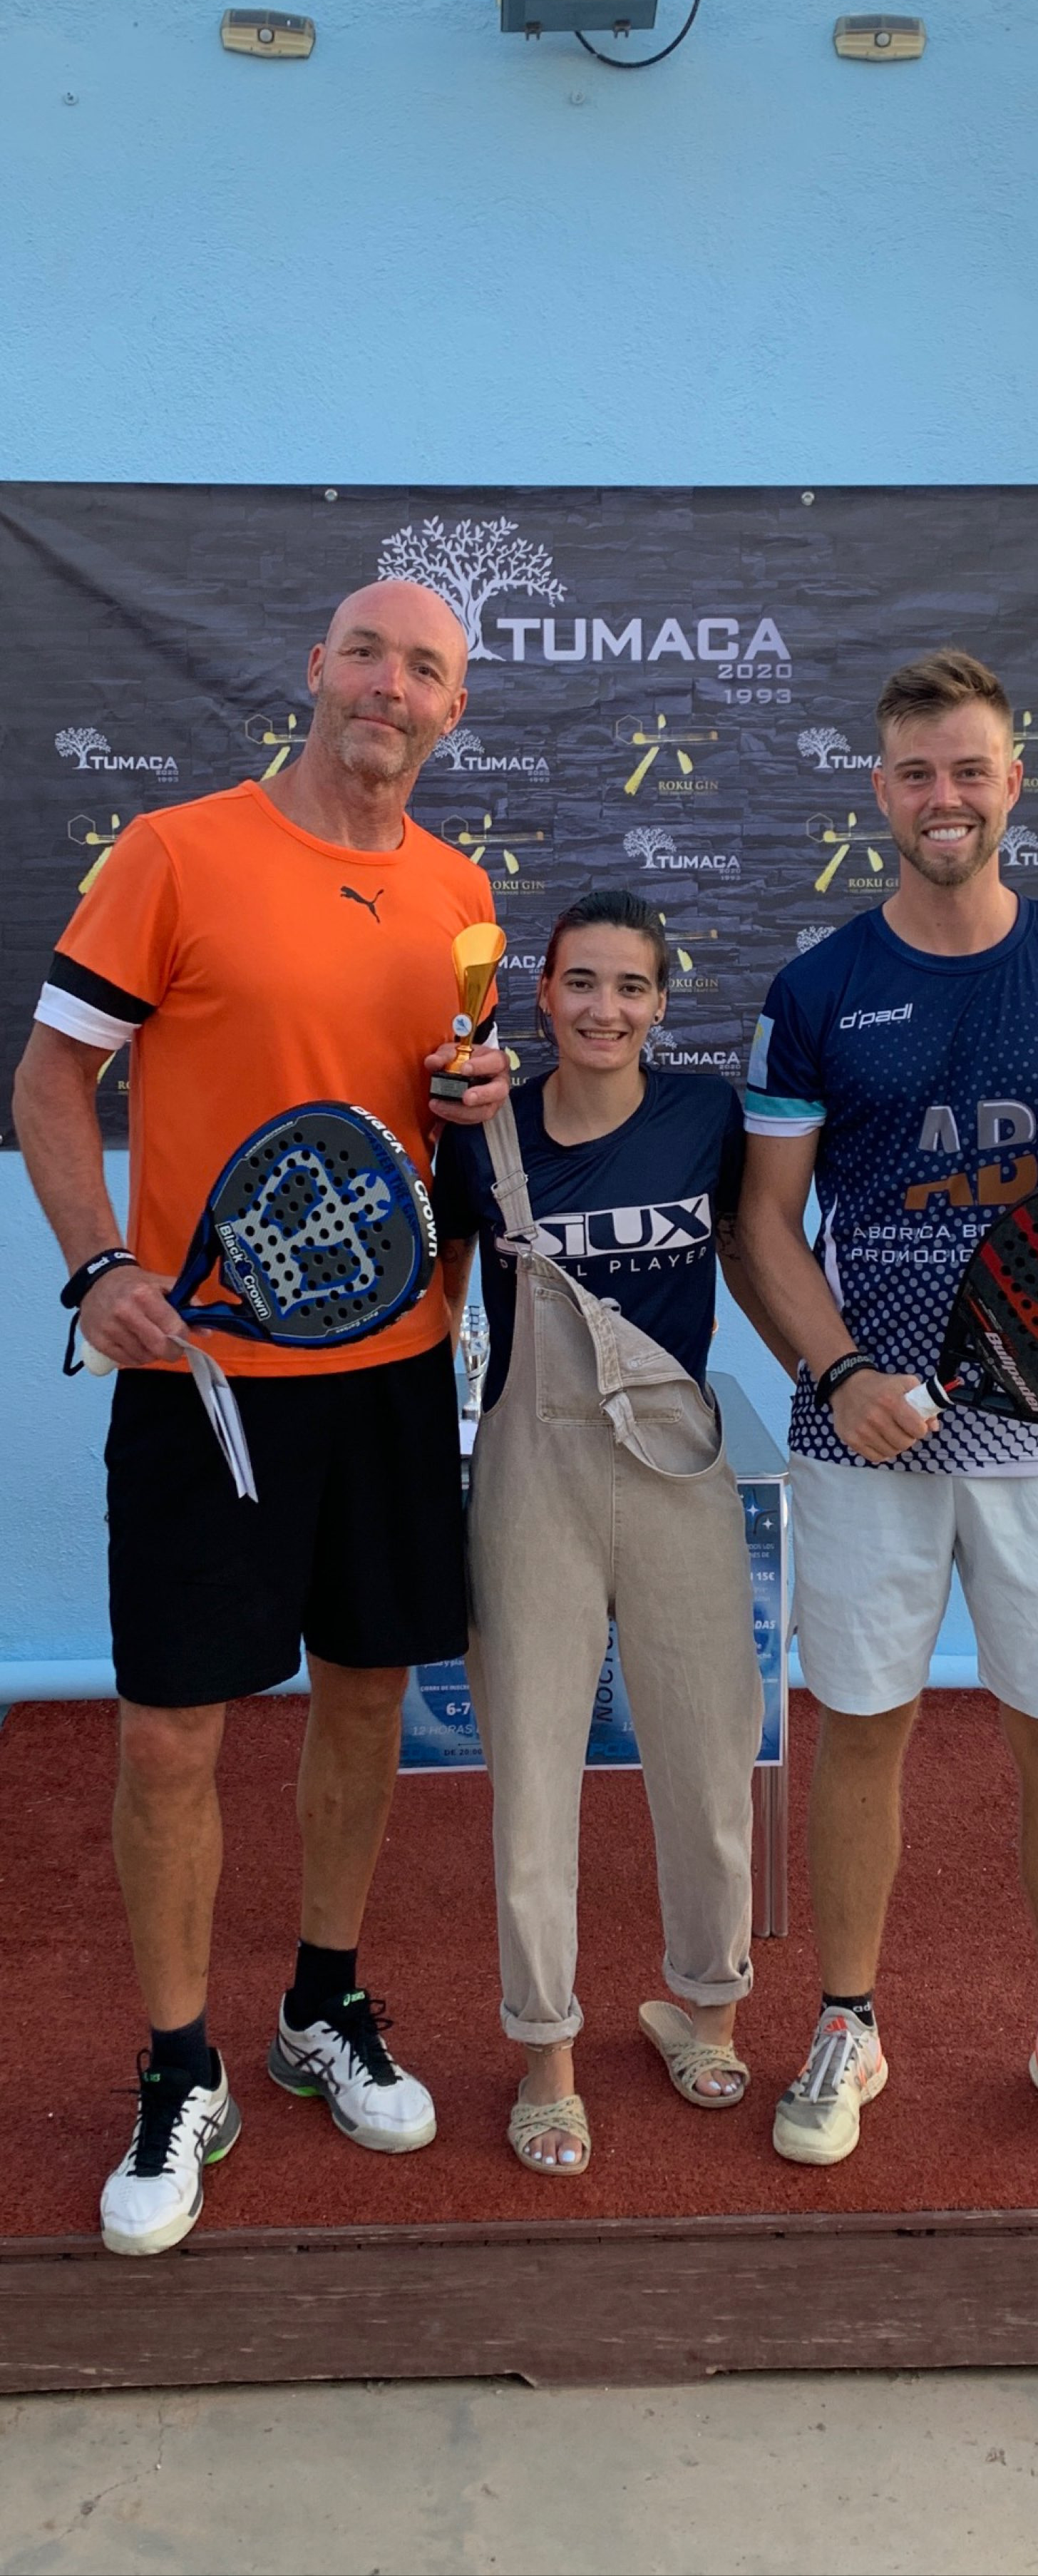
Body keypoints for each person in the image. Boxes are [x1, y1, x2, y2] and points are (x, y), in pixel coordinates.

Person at [13, 578, 509, 2255]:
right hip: (203, 1384)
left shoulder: (461, 894)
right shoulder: (174, 851)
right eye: (366, 652)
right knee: (170, 1733)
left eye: (424, 668)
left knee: (365, 1698)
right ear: (316, 668)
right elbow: (52, 1078)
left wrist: (479, 1105)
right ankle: (178, 2066)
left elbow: (435, 1139)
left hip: (393, 1377)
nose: (389, 685)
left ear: (452, 710)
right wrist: (97, 1263)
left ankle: (321, 2002)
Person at [737, 648, 1038, 2177]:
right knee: (859, 1736)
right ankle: (847, 2020)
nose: (943, 797)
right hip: (865, 1438)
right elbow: (765, 1225)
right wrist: (840, 1376)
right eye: (916, 773)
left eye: (969, 770)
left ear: (1014, 782)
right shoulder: (817, 988)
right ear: (878, 791)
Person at [433, 889, 792, 2175]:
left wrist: (832, 1369)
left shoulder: (705, 1117)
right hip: (533, 1472)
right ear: (542, 996)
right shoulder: (483, 1129)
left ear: (661, 1002)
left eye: (631, 986)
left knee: (708, 1752)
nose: (605, 1008)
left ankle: (706, 2007)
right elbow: (439, 1295)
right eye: (581, 982)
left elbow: (759, 1246)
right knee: (533, 1774)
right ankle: (547, 2052)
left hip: (678, 1465)